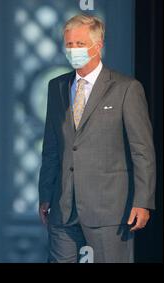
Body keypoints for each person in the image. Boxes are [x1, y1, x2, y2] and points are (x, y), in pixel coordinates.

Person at [38, 14, 156, 263]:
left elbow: (142, 151)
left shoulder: (126, 89)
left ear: (97, 46)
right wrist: (45, 195)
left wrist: (142, 202)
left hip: (109, 209)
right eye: (69, 44)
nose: (73, 50)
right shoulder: (56, 87)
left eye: (79, 44)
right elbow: (51, 147)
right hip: (63, 206)